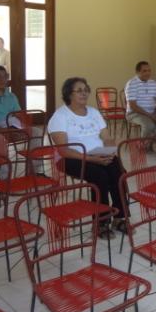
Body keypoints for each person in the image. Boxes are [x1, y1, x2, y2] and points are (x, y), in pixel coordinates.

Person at [48, 77, 124, 238]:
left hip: (97, 153)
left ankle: (120, 217)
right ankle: (101, 223)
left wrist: (110, 150)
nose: (84, 93)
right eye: (79, 90)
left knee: (118, 172)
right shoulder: (60, 116)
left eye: (86, 90)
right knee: (100, 176)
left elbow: (107, 137)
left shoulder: (94, 113)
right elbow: (63, 150)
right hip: (70, 159)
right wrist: (92, 159)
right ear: (69, 94)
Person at [0, 65, 43, 174]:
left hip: (10, 128)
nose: (2, 80)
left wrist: (22, 128)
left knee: (37, 132)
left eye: (4, 76)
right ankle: (4, 177)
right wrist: (2, 130)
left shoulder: (11, 96)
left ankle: (35, 172)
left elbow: (19, 115)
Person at [124, 61, 156, 142]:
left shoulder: (153, 83)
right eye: (144, 71)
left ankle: (151, 141)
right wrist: (150, 116)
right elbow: (133, 106)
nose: (148, 73)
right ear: (137, 72)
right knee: (149, 125)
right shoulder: (132, 83)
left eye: (149, 70)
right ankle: (143, 146)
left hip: (153, 112)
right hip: (135, 113)